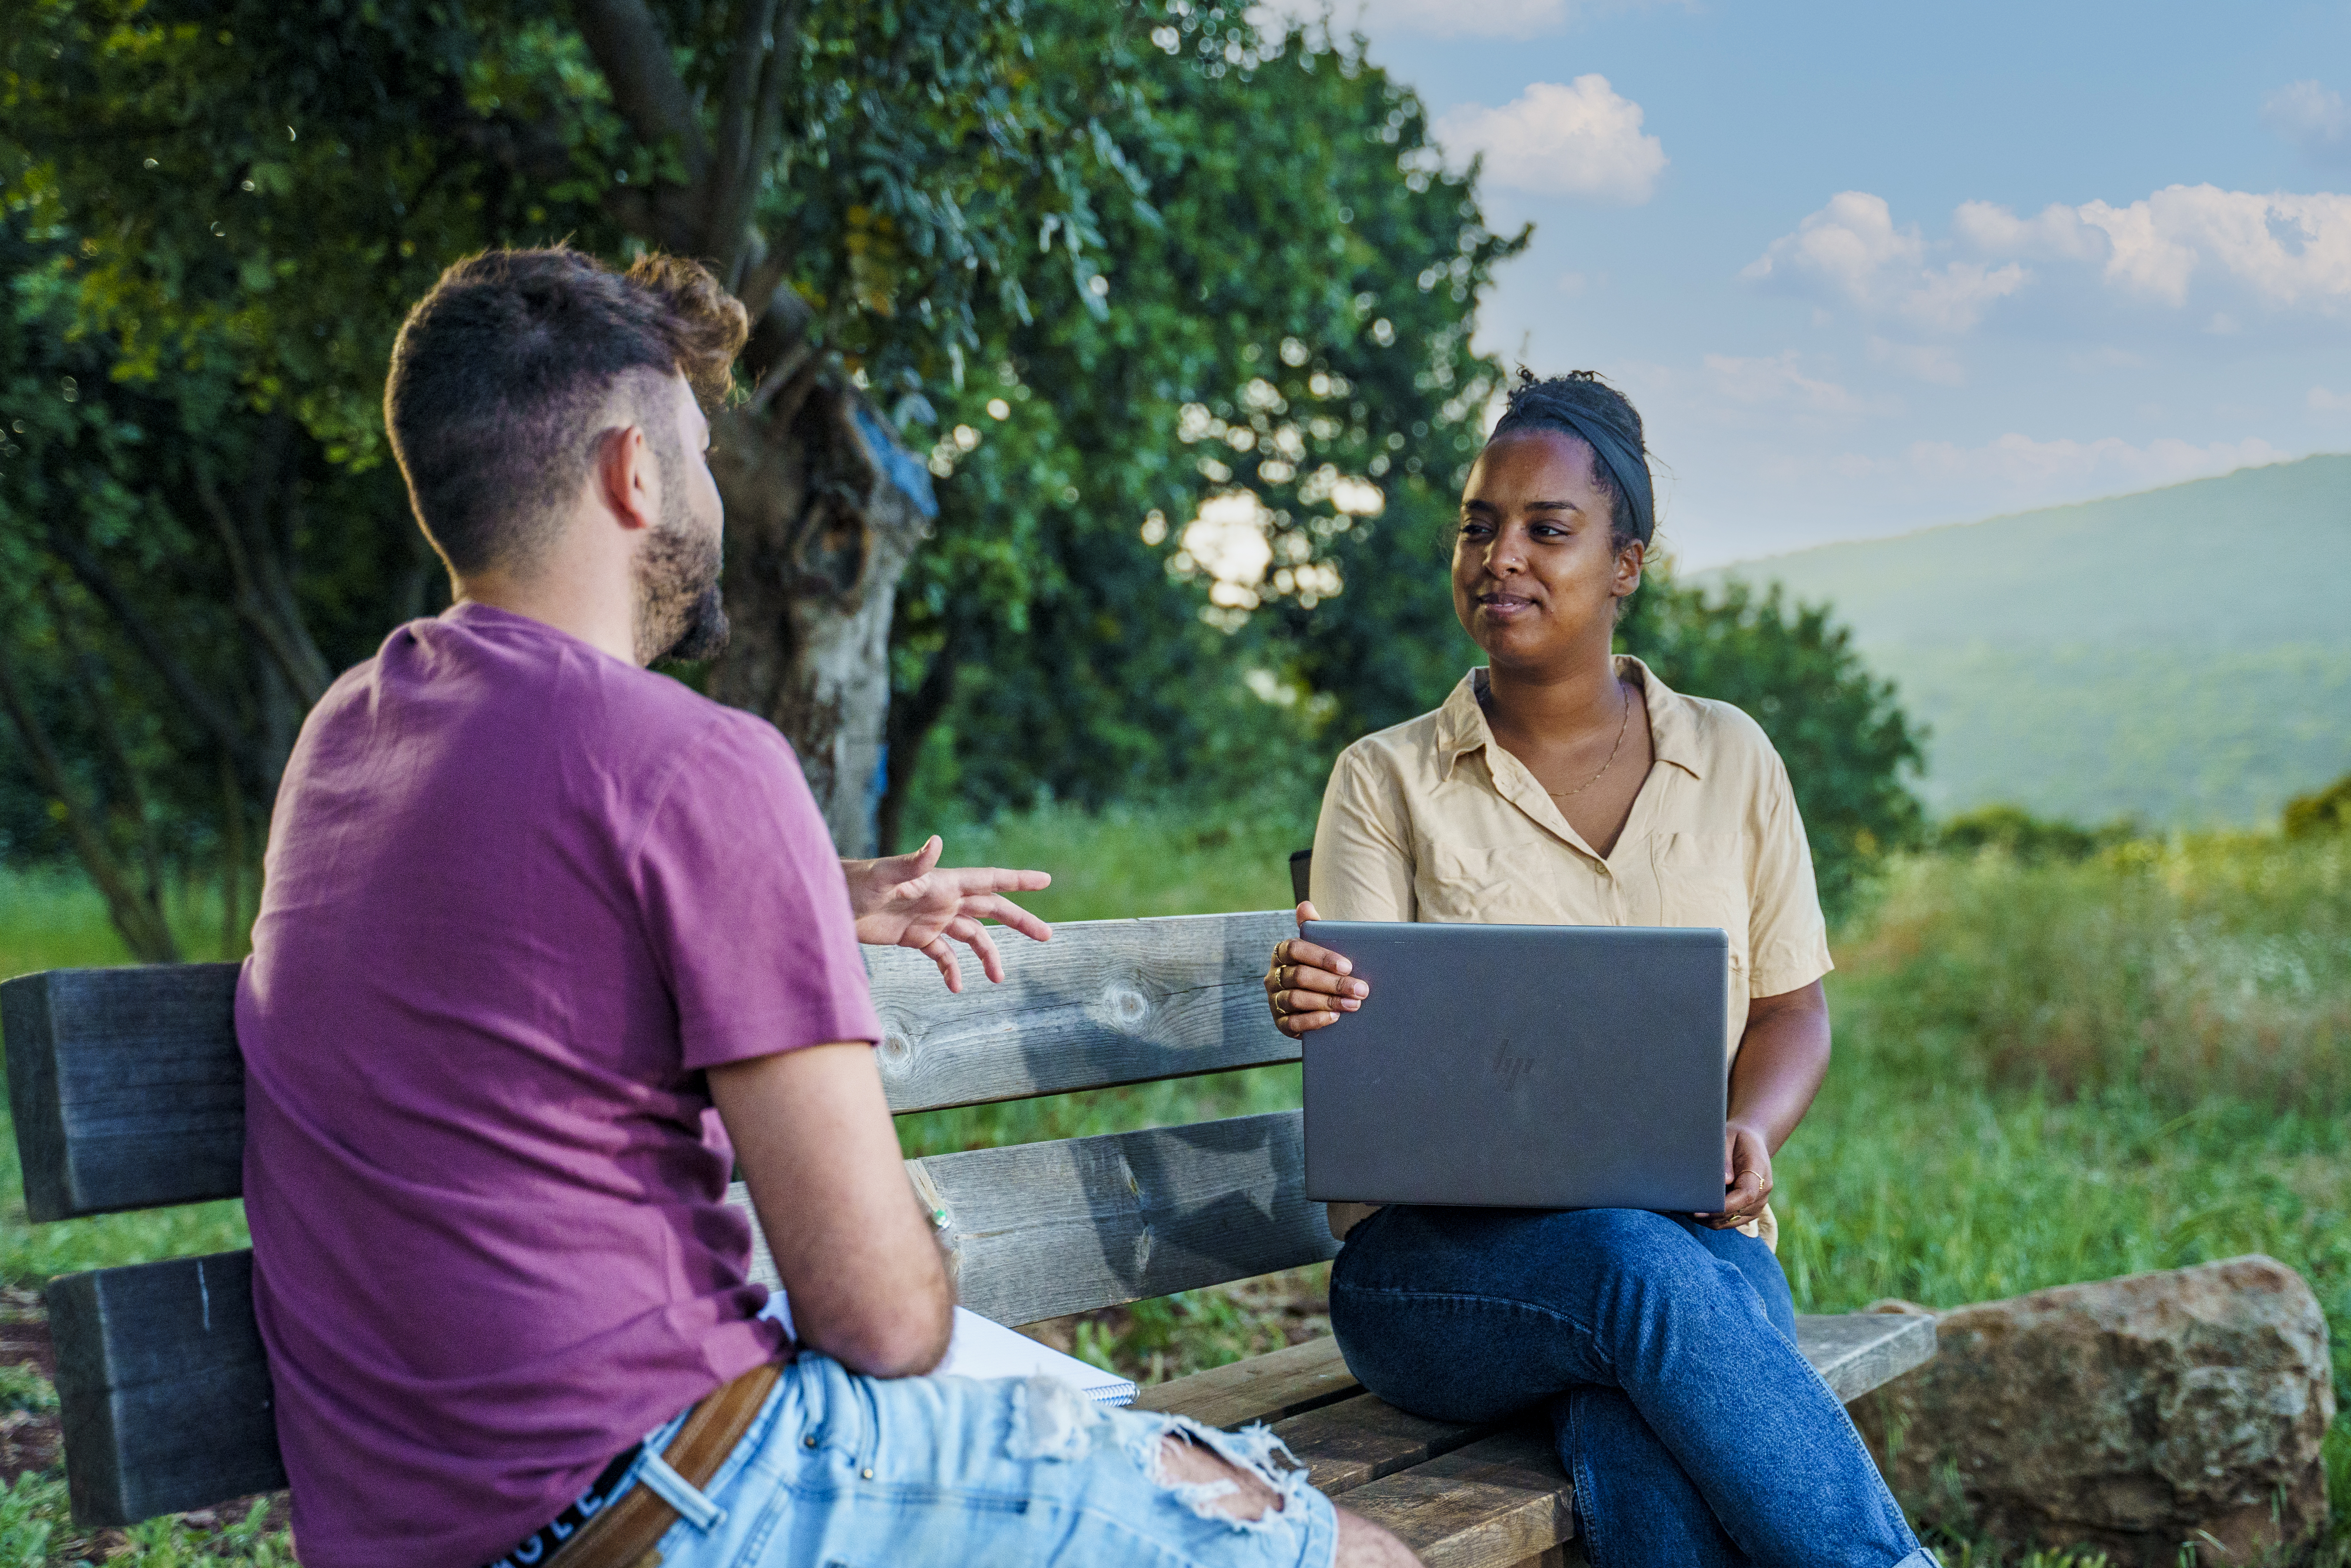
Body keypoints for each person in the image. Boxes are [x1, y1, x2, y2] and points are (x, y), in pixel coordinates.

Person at [238, 246, 1418, 1568]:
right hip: (670, 1502)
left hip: (426, 1526)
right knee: (1349, 1551)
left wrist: (795, 887)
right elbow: (884, 1322)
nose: (711, 496)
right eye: (696, 452)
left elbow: (521, 925)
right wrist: (759, 852)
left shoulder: (352, 729)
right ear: (634, 473)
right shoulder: (696, 763)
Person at [1259, 371, 1939, 1568]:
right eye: (1478, 523)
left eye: (1545, 528)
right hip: (1436, 1277)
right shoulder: (1388, 776)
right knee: (1633, 1275)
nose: (1498, 555)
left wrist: (1751, 1127)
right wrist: (1315, 1002)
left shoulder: (1731, 756)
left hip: (1696, 1258)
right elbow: (1356, 1022)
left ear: (1625, 561)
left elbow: (1790, 1007)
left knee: (1638, 1391)